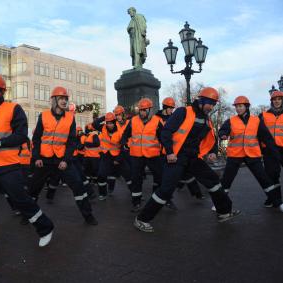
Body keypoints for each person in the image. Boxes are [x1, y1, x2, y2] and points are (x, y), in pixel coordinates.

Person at [0, 73, 54, 256]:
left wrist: (0, 143)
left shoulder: (13, 109)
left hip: (7, 165)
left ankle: (45, 228)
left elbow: (22, 135)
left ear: (2, 91)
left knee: (20, 199)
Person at [134, 87, 240, 232]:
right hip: (176, 157)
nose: (211, 106)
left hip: (193, 157)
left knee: (213, 181)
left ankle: (223, 212)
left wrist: (212, 151)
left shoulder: (206, 119)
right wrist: (170, 152)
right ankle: (142, 219)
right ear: (201, 101)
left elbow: (211, 138)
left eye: (214, 104)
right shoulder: (183, 112)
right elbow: (166, 132)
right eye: (210, 103)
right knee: (166, 190)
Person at [29, 86, 98, 225]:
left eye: (66, 98)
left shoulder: (70, 118)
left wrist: (66, 160)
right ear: (54, 100)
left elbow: (72, 142)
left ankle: (88, 215)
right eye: (61, 98)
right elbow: (36, 139)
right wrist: (36, 157)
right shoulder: (44, 116)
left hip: (62, 159)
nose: (64, 101)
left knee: (78, 185)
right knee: (34, 188)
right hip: (44, 159)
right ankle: (28, 215)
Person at [219, 96, 282, 210]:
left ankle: (278, 203)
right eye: (237, 107)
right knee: (226, 180)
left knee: (264, 179)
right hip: (235, 155)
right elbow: (223, 130)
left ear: (246, 107)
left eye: (240, 106)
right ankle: (219, 203)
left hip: (252, 155)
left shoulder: (256, 120)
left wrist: (276, 153)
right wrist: (223, 135)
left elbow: (267, 138)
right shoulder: (231, 120)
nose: (238, 109)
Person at [121, 98, 164, 212]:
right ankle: (136, 202)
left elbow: (164, 138)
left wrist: (166, 152)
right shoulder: (133, 120)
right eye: (140, 110)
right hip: (136, 155)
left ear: (150, 110)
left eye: (144, 110)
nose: (142, 112)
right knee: (136, 178)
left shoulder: (157, 121)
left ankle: (158, 198)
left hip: (152, 155)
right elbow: (125, 135)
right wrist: (125, 143)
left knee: (159, 176)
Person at [259, 90, 283, 207]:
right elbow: (256, 131)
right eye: (274, 99)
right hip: (269, 150)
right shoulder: (263, 115)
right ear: (271, 101)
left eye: (279, 99)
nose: (277, 101)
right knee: (271, 175)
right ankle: (274, 198)